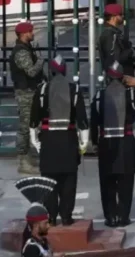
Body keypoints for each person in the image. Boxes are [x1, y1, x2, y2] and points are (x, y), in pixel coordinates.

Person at [90, 61, 135, 227]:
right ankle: (123, 217)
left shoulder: (99, 96)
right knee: (125, 183)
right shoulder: (131, 95)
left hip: (106, 142)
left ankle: (110, 217)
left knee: (107, 183)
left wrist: (95, 143)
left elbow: (94, 123)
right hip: (126, 142)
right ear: (123, 78)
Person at [29, 56, 89, 225]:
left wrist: (36, 143)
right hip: (68, 139)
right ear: (65, 70)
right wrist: (83, 143)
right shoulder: (74, 90)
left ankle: (51, 217)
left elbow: (33, 121)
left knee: (48, 181)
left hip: (48, 140)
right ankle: (67, 216)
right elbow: (82, 121)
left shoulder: (42, 90)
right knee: (69, 180)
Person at [11, 21, 43, 175]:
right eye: (31, 31)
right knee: (25, 128)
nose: (33, 33)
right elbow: (31, 71)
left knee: (32, 125)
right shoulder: (21, 51)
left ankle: (28, 157)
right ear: (24, 34)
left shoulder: (27, 49)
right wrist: (41, 62)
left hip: (31, 91)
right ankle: (23, 161)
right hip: (25, 93)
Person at [98, 3, 135, 77]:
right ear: (114, 17)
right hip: (119, 78)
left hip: (121, 76)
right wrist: (129, 51)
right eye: (120, 14)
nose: (122, 17)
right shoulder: (110, 34)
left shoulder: (113, 33)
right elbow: (113, 58)